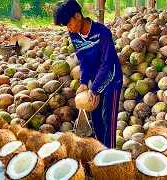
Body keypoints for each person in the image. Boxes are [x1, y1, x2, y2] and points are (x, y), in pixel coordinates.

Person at [53, 0, 123, 149]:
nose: (69, 29)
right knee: (96, 118)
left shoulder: (102, 33)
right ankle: (100, 149)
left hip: (112, 79)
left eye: (69, 24)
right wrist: (84, 83)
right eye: (66, 26)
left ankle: (110, 155)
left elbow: (107, 63)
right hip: (94, 81)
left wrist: (95, 88)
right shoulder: (75, 34)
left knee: (108, 120)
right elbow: (83, 59)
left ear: (78, 16)